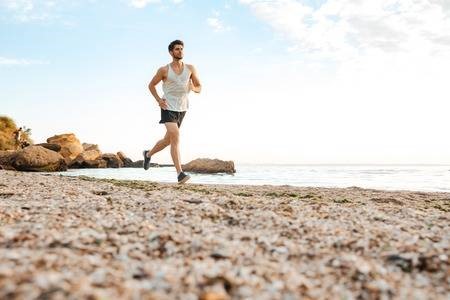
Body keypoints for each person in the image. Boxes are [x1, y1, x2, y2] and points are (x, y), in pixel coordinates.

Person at [144, 40, 202, 184]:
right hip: (167, 107)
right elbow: (151, 85)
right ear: (171, 52)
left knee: (168, 140)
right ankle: (180, 174)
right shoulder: (164, 70)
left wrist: (192, 88)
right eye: (177, 49)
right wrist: (158, 100)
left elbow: (199, 86)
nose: (180, 51)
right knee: (176, 136)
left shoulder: (190, 68)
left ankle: (148, 154)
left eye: (182, 49)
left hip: (182, 108)